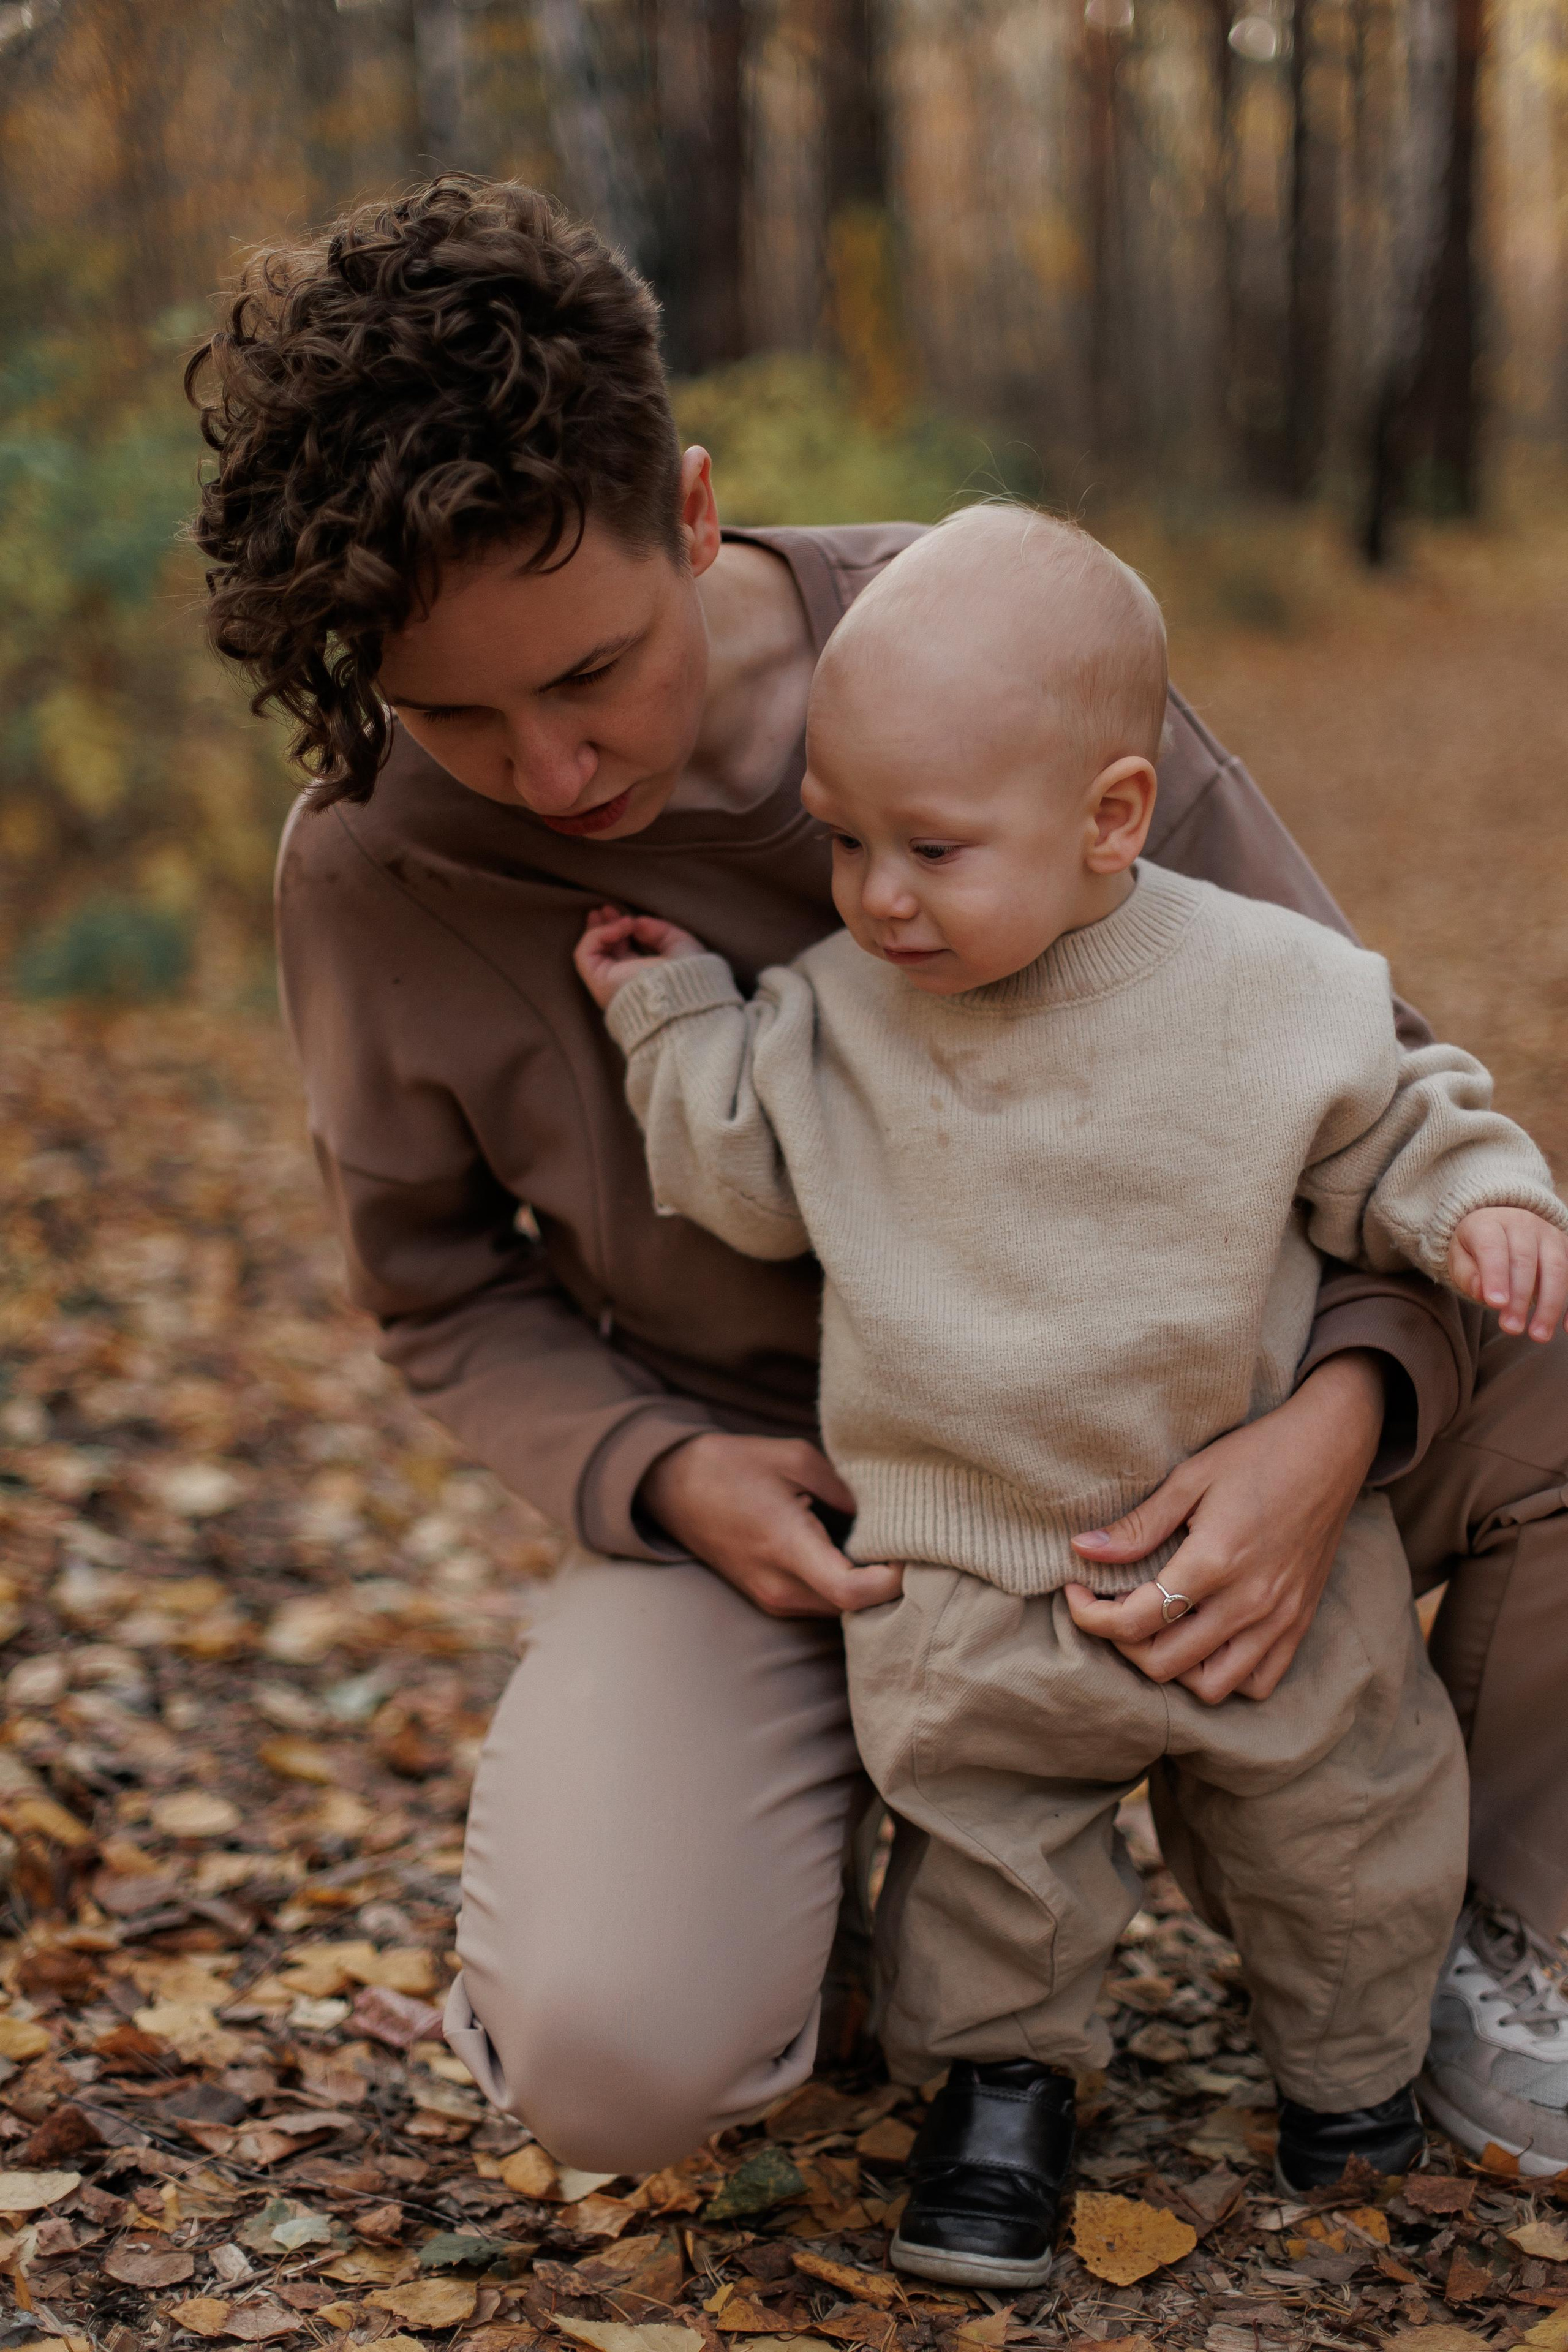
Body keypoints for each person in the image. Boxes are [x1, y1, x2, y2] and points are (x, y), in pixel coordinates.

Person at [185, 175, 1568, 2187]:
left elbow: (1364, 1091)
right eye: (451, 714)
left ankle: (1511, 1936)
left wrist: (1334, 1434)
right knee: (623, 2069)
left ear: (687, 509)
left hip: (1186, 1405)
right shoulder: (374, 870)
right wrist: (664, 1476)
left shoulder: (999, 654)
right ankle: (807, 1870)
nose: (551, 773)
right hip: (805, 1501)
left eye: (587, 676)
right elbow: (438, 1292)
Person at [570, 503, 1565, 2278]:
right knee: (987, 1861)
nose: (878, 894)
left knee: (1347, 1821)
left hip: (1254, 1545)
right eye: (844, 839)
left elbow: (1400, 1121)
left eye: (934, 849)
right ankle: (1006, 2096)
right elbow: (738, 1168)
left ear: (1113, 817)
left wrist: (1486, 1197)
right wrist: (673, 1026)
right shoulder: (837, 1013)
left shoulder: (1270, 989)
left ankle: (1353, 2078)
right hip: (965, 1563)